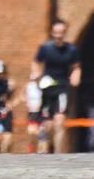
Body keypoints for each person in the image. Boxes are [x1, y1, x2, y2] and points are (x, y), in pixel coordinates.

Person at [31, 19, 82, 154]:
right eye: (56, 32)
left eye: (61, 32)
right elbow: (36, 62)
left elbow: (76, 66)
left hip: (63, 87)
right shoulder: (45, 48)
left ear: (65, 33)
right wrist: (36, 73)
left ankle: (59, 156)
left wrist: (76, 76)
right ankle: (49, 150)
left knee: (60, 122)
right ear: (52, 33)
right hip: (47, 88)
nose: (59, 35)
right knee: (48, 126)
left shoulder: (71, 50)